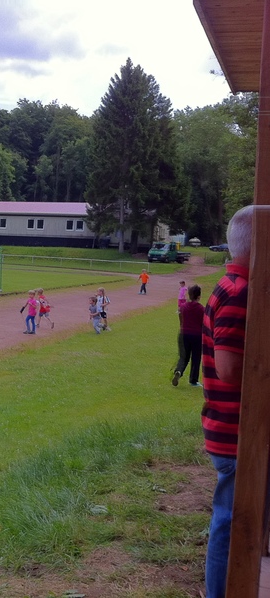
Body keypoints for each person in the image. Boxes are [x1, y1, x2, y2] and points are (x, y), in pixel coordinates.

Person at [201, 205, 253, 598]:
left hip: (230, 428)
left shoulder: (233, 284)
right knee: (231, 521)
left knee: (232, 519)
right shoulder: (240, 292)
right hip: (235, 432)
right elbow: (230, 369)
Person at [172, 284, 204, 387]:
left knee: (183, 356)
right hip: (196, 335)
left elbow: (180, 316)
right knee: (196, 358)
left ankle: (179, 371)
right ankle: (193, 380)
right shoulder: (201, 309)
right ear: (199, 296)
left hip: (183, 334)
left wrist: (182, 326)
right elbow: (203, 323)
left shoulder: (183, 307)